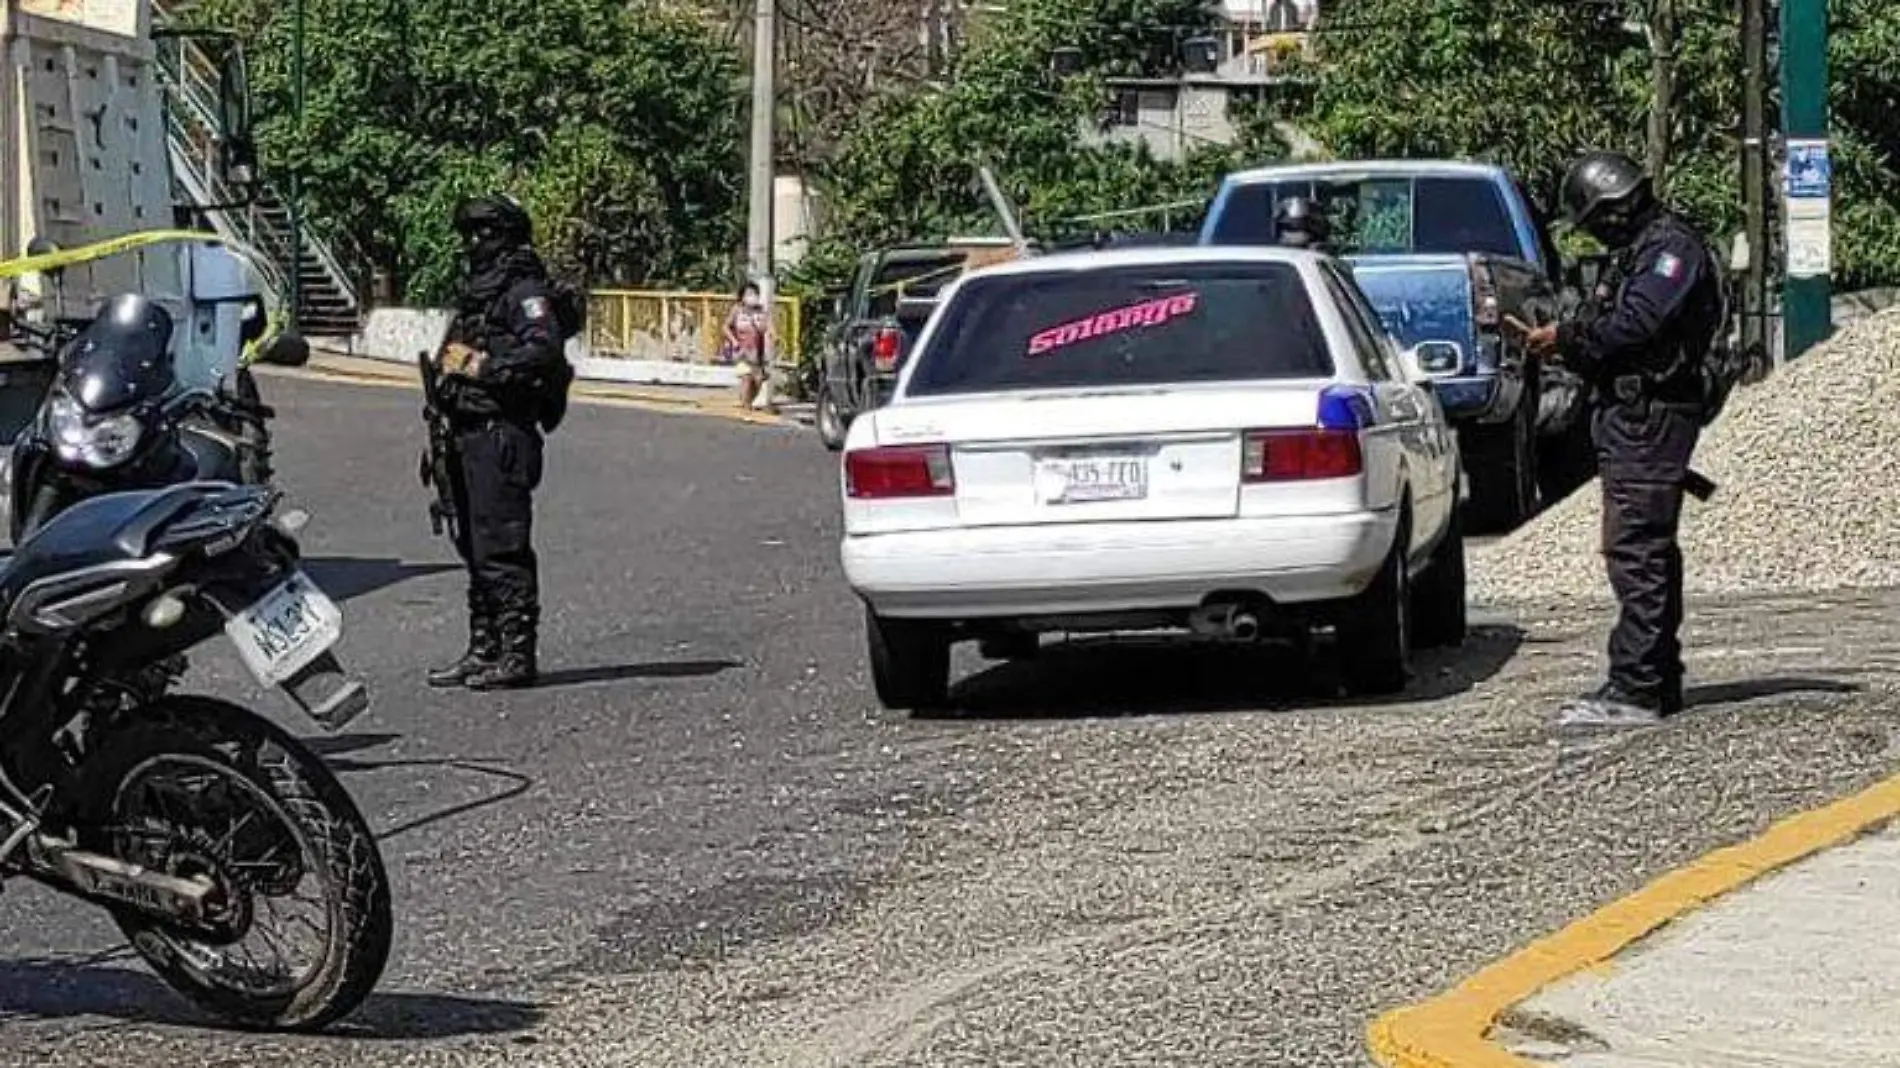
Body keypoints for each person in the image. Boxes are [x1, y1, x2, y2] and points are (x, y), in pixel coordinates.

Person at [1518, 150, 1724, 728]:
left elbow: (1634, 324)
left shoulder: (1669, 250)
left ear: (1612, 208)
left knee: (1637, 549)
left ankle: (1637, 687)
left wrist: (1569, 336)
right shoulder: (1642, 250)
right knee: (1644, 546)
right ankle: (1655, 674)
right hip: (1633, 414)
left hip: (1651, 415)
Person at [426, 194, 562, 691]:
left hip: (501, 432)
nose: (473, 245)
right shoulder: (479, 293)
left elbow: (542, 352)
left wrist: (486, 368)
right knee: (474, 545)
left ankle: (516, 653)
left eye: (482, 234)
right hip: (464, 431)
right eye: (469, 234)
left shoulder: (524, 290)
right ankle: (484, 648)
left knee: (501, 546)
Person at [720, 282, 770, 411]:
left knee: (758, 381)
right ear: (742, 297)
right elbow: (725, 327)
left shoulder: (760, 311)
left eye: (754, 294)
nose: (751, 297)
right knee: (746, 378)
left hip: (757, 352)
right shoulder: (737, 310)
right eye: (748, 294)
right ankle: (745, 406)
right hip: (741, 350)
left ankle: (747, 402)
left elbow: (767, 328)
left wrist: (763, 329)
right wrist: (733, 340)